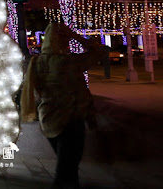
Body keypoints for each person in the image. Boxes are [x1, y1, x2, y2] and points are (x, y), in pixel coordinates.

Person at [21, 22, 104, 189]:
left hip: (48, 120)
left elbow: (35, 93)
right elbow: (100, 52)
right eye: (64, 39)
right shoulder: (68, 61)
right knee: (66, 172)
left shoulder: (36, 62)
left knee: (68, 168)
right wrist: (76, 36)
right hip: (70, 119)